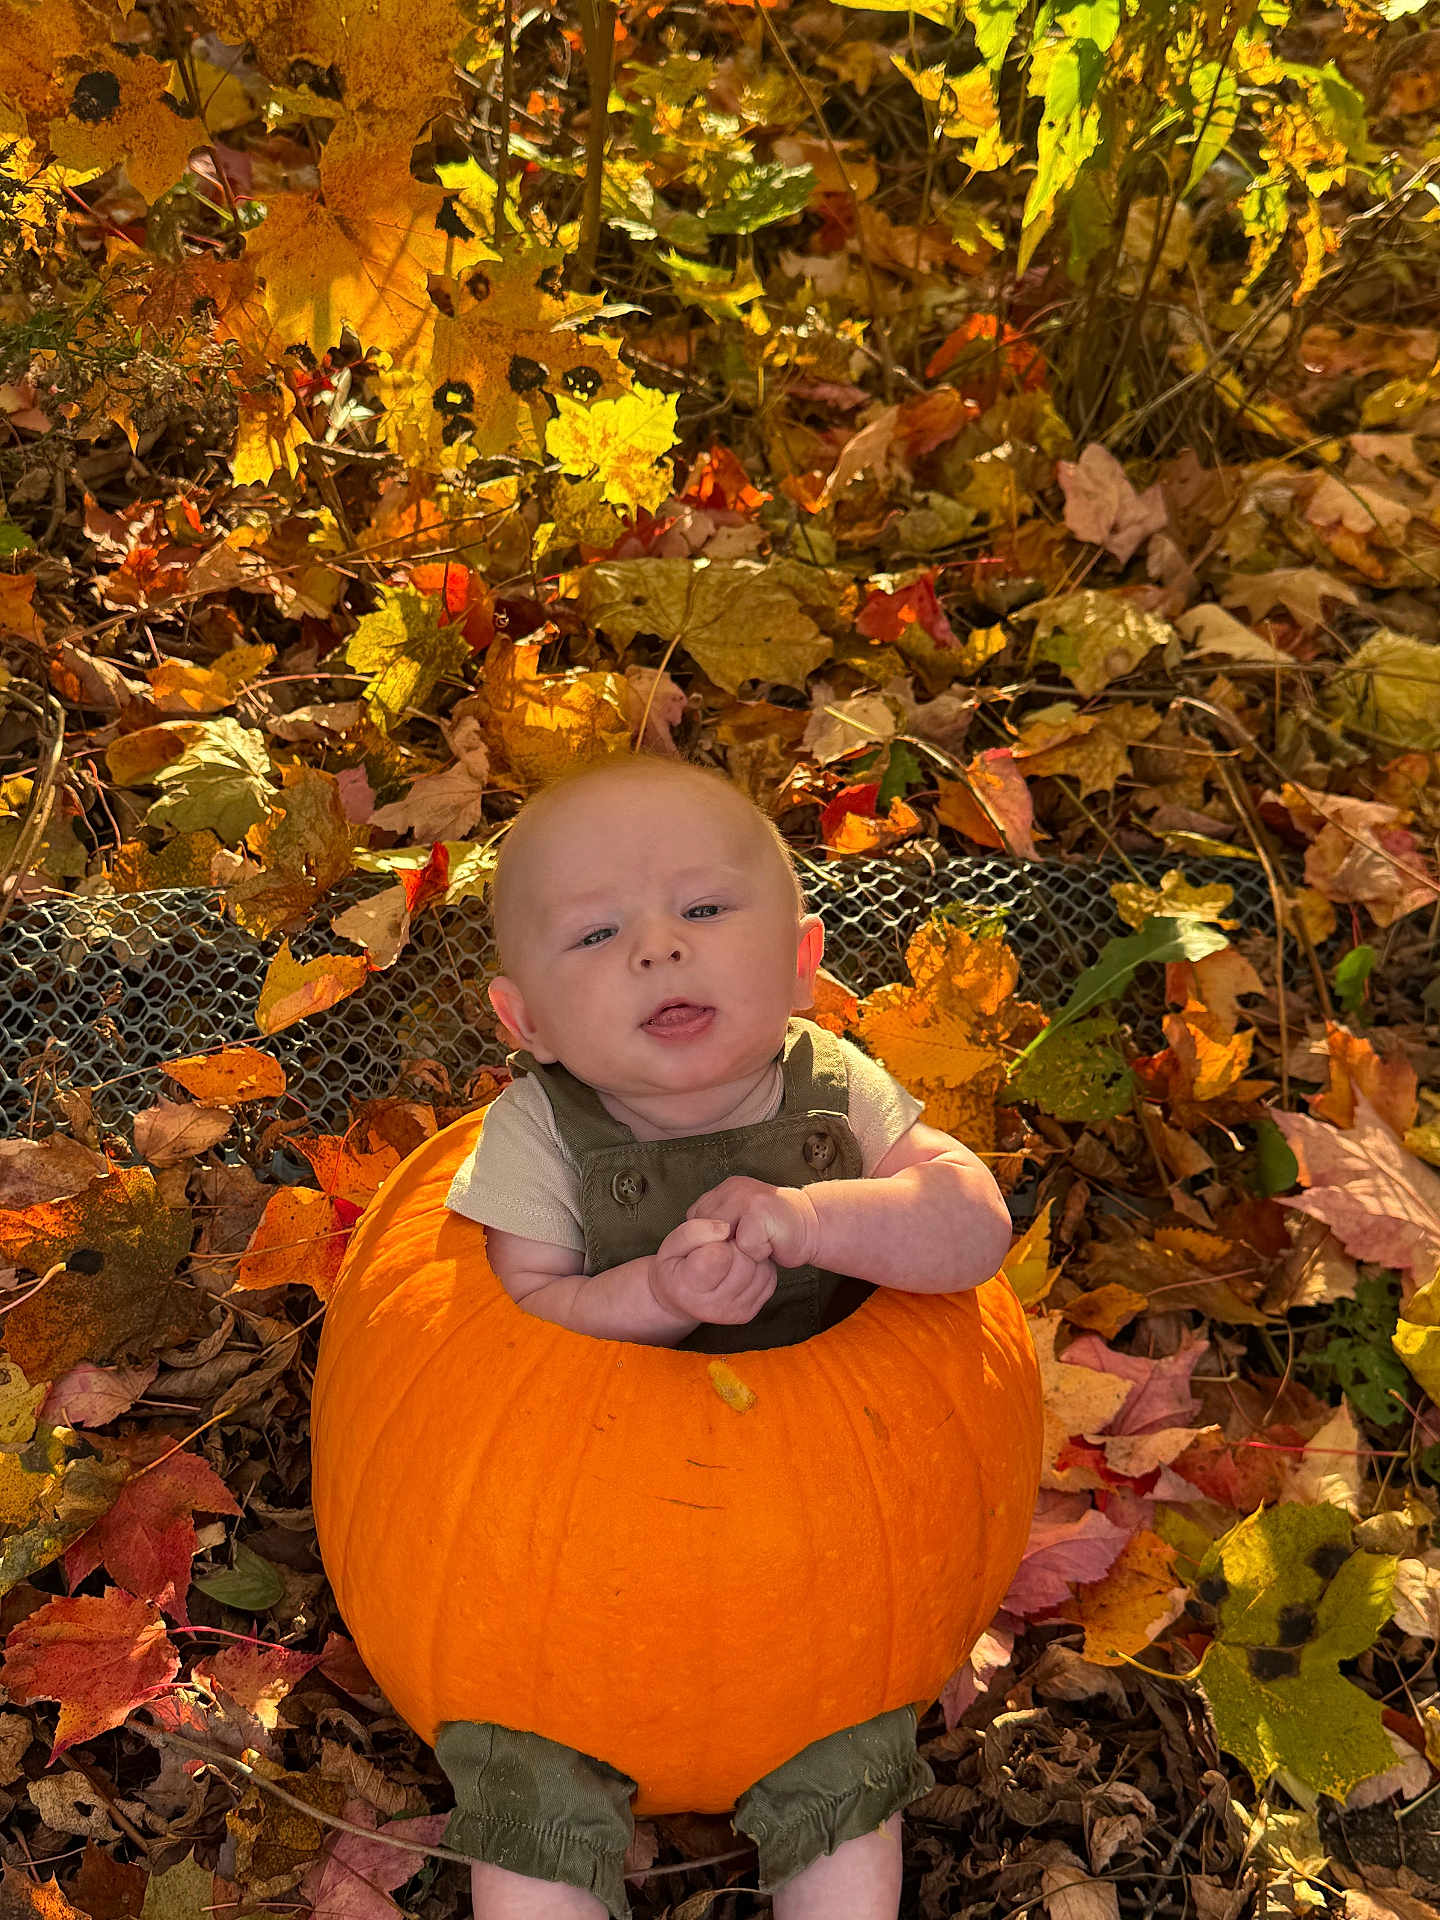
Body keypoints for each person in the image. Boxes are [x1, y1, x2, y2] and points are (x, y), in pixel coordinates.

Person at [441, 751, 1014, 1920]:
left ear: (803, 961)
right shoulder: (536, 1138)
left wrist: (816, 1218)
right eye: (597, 934)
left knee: (844, 1770)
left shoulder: (837, 1090)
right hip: (570, 1560)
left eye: (703, 910)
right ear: (525, 1019)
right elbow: (520, 1325)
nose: (659, 949)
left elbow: (972, 1229)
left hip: (826, 1551)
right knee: (529, 1776)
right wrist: (657, 1294)